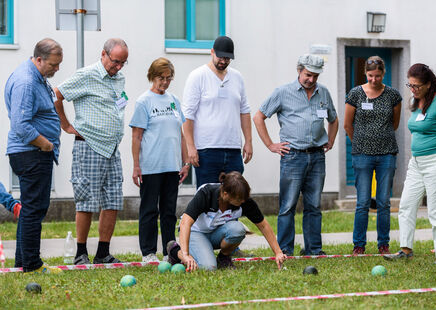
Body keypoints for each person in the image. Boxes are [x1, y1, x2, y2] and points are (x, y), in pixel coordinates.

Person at [253, 54, 339, 256]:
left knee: (314, 206)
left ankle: (313, 249)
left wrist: (331, 140)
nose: (311, 79)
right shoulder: (283, 92)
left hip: (317, 156)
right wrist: (270, 145)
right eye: (308, 74)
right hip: (293, 157)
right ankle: (285, 250)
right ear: (299, 70)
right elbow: (259, 117)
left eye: (315, 76)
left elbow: (333, 120)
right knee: (287, 206)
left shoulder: (323, 93)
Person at [54, 38, 129, 265]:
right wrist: (65, 125)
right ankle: (80, 252)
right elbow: (57, 94)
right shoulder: (87, 75)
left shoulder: (119, 79)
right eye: (115, 62)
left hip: (112, 148)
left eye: (123, 63)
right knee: (86, 201)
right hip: (89, 146)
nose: (118, 67)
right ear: (103, 54)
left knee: (113, 200)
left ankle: (103, 252)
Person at [385, 64, 436, 264]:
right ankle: (406, 249)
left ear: (428, 84)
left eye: (417, 86)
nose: (413, 89)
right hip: (416, 163)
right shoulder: (416, 101)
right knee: (406, 205)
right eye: (410, 85)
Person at [5, 38, 63, 273]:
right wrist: (46, 145)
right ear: (39, 59)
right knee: (34, 208)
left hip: (31, 152)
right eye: (53, 64)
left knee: (31, 207)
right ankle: (32, 264)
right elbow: (21, 125)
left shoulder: (36, 77)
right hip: (32, 152)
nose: (57, 69)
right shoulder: (26, 81)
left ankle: (23, 261)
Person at [130, 58, 190, 263]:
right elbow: (136, 136)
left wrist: (185, 162)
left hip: (171, 166)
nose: (164, 82)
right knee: (149, 210)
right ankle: (148, 253)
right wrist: (136, 166)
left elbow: (180, 134)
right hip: (150, 166)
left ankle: (169, 251)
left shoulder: (174, 100)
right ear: (152, 77)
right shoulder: (143, 101)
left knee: (169, 212)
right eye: (160, 78)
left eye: (168, 78)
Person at [166, 172, 286, 270]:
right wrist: (186, 255)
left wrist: (278, 252)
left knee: (238, 229)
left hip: (215, 233)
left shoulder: (244, 200)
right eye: (239, 199)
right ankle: (175, 251)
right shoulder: (206, 193)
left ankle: (223, 258)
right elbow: (185, 222)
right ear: (225, 194)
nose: (243, 201)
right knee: (208, 268)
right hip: (195, 233)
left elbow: (263, 225)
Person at [344, 56, 402, 255]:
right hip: (362, 155)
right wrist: (360, 142)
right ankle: (359, 245)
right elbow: (347, 124)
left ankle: (383, 244)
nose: (374, 80)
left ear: (383, 74)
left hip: (387, 154)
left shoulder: (393, 95)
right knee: (362, 202)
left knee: (384, 202)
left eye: (377, 76)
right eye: (370, 76)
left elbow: (395, 123)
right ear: (365, 74)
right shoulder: (355, 94)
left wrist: (378, 138)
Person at [182, 36, 252, 188]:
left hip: (233, 149)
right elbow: (187, 115)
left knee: (234, 196)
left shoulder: (237, 77)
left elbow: (245, 111)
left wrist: (248, 141)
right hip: (206, 149)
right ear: (212, 52)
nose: (223, 61)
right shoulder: (198, 76)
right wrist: (191, 147)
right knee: (208, 198)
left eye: (228, 58)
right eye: (221, 57)